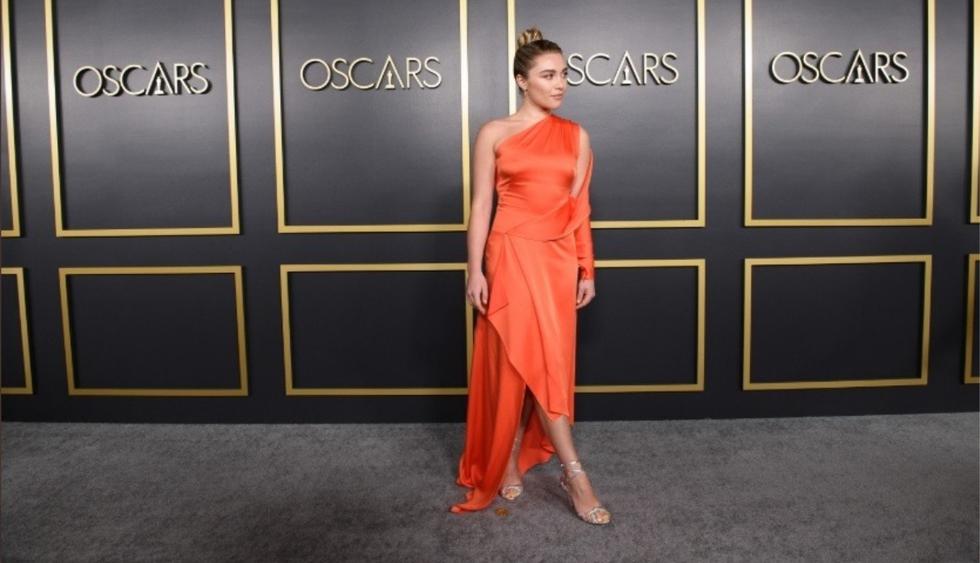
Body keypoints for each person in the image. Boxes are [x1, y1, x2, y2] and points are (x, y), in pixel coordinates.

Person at [450, 26, 610, 525]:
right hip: (511, 254)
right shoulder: (494, 132)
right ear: (523, 81)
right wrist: (474, 268)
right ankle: (574, 473)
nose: (559, 83)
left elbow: (578, 208)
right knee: (517, 359)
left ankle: (520, 451)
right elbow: (480, 205)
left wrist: (587, 265)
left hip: (557, 259)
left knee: (548, 365)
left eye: (564, 74)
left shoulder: (576, 135)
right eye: (548, 75)